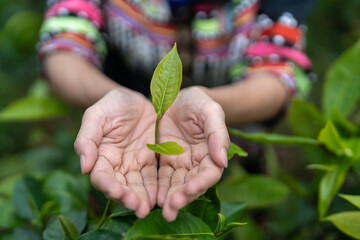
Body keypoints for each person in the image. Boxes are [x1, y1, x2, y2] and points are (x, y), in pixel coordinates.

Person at [38, 0, 315, 221]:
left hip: (234, 142)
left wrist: (211, 104)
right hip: (122, 146)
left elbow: (279, 73)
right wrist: (113, 96)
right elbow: (64, 46)